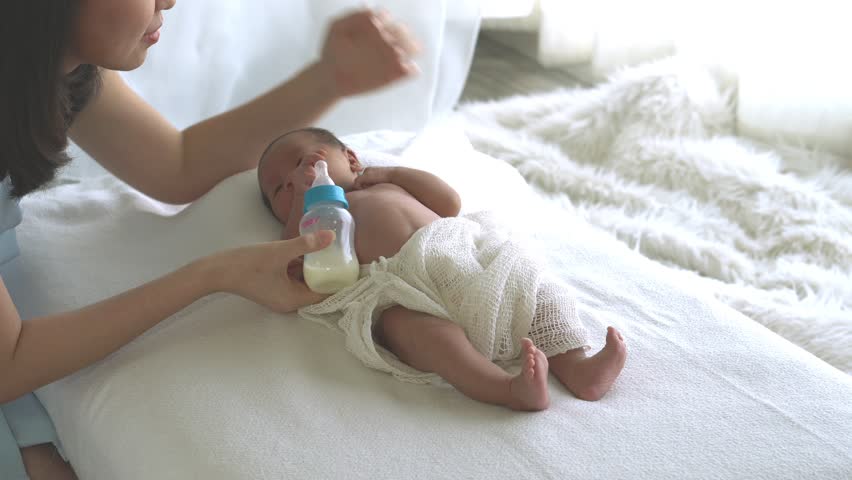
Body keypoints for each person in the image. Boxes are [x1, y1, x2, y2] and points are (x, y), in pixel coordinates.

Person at [1, 1, 420, 478]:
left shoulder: (57, 65)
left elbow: (177, 165)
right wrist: (214, 273)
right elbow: (8, 363)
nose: (169, 2)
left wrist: (331, 78)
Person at [257, 127, 628, 412]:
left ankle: (578, 367)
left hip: (469, 260)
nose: (295, 180)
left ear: (351, 159)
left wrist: (397, 173)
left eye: (304, 160)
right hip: (402, 289)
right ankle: (505, 388)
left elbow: (449, 204)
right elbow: (294, 264)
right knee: (410, 330)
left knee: (539, 291)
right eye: (280, 190)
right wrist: (300, 212)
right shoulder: (310, 223)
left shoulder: (385, 184)